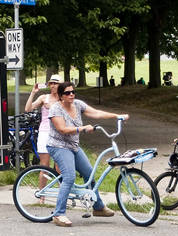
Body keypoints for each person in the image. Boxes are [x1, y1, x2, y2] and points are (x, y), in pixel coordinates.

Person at [46, 81, 128, 227]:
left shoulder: (77, 104)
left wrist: (116, 116)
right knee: (69, 177)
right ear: (60, 96)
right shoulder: (55, 109)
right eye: (67, 93)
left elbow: (95, 112)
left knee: (89, 173)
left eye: (72, 92)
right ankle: (58, 214)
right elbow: (63, 129)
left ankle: (98, 207)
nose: (71, 94)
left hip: (74, 146)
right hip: (58, 146)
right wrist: (82, 128)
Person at [25, 74, 60, 177]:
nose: (53, 86)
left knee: (59, 167)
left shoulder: (64, 99)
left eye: (56, 83)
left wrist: (52, 106)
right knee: (44, 167)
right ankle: (41, 193)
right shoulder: (44, 97)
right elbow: (28, 109)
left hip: (59, 133)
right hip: (45, 132)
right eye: (51, 83)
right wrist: (33, 93)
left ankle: (61, 192)